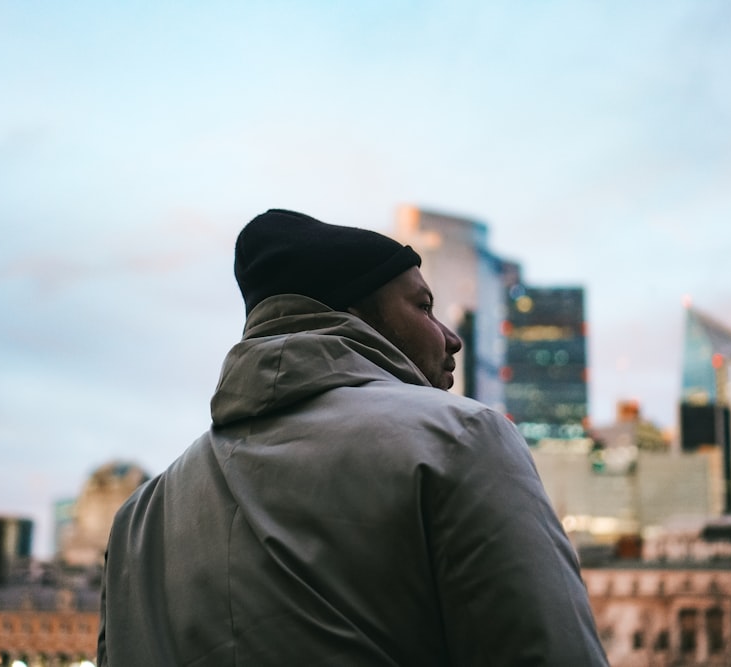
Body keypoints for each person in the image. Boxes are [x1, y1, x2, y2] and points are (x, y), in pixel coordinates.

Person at [97, 209, 608, 666]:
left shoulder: (137, 521)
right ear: (355, 313)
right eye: (424, 307)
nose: (451, 338)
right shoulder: (459, 439)